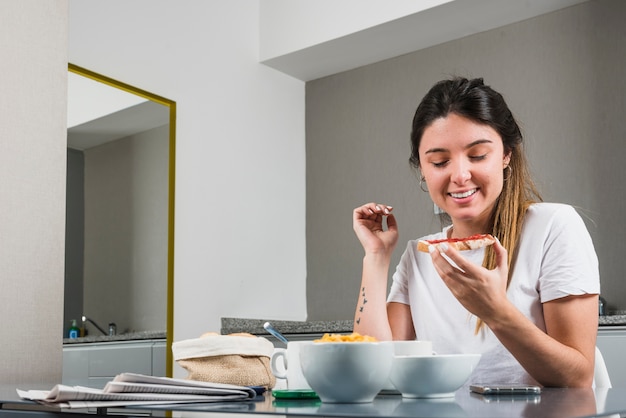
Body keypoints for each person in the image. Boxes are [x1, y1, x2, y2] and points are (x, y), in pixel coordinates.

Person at [352, 77, 600, 387]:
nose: (459, 175)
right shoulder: (420, 255)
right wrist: (376, 257)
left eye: (478, 155)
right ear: (423, 170)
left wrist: (496, 313)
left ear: (506, 154)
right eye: (440, 161)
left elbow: (578, 378)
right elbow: (368, 374)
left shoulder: (552, 227)